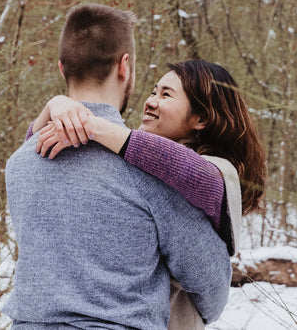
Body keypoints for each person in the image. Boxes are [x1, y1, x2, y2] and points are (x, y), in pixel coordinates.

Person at [4, 4, 231, 330]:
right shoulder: (153, 171)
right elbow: (211, 284)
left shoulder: (19, 164)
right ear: (125, 67)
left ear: (61, 68)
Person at [30, 60, 266, 329]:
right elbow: (31, 160)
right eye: (154, 92)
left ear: (201, 119)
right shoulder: (141, 161)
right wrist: (53, 109)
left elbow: (192, 173)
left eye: (166, 95)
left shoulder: (216, 171)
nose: (151, 101)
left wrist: (91, 125)